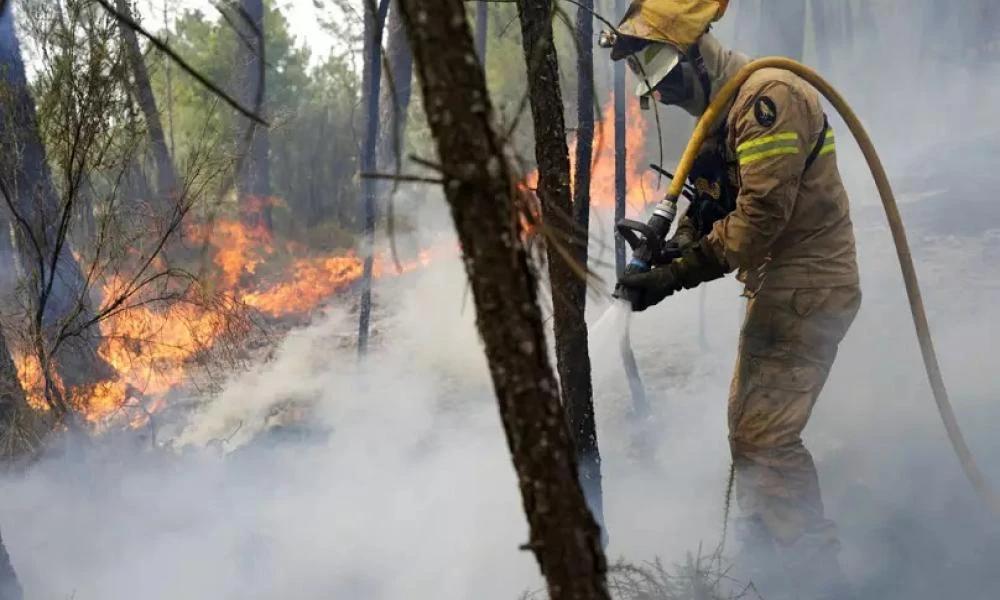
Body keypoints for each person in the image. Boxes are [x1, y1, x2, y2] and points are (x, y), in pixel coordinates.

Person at [606, 2, 862, 599]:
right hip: (784, 285)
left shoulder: (768, 100)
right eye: (657, 88)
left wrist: (676, 277)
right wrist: (669, 249)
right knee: (750, 431)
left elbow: (760, 220)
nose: (666, 97)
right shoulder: (719, 119)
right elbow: (716, 204)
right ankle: (764, 559)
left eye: (670, 80)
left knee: (764, 437)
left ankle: (819, 581)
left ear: (700, 55)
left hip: (810, 283)